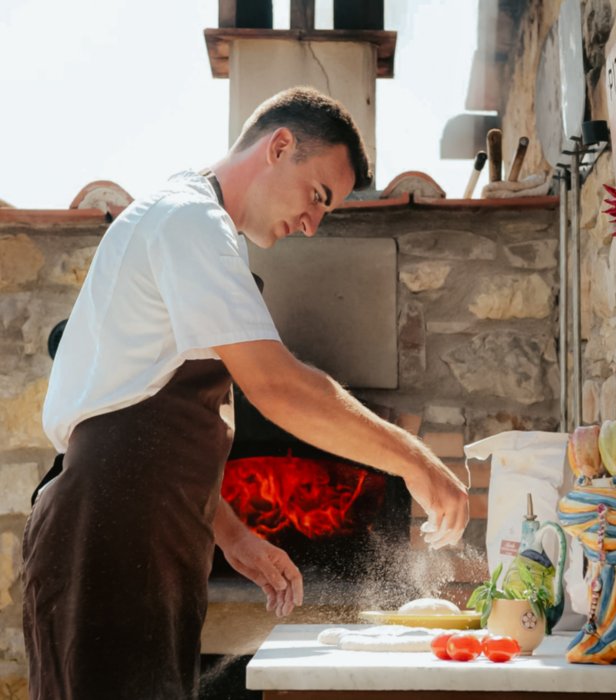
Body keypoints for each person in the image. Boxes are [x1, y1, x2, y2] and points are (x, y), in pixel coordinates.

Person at [23, 86, 469, 699]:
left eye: (327, 211)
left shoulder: (201, 230)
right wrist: (415, 460)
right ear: (280, 146)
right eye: (318, 196)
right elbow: (278, 388)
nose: (313, 225)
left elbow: (151, 425)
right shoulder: (189, 221)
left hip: (142, 525)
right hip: (109, 530)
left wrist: (231, 536)